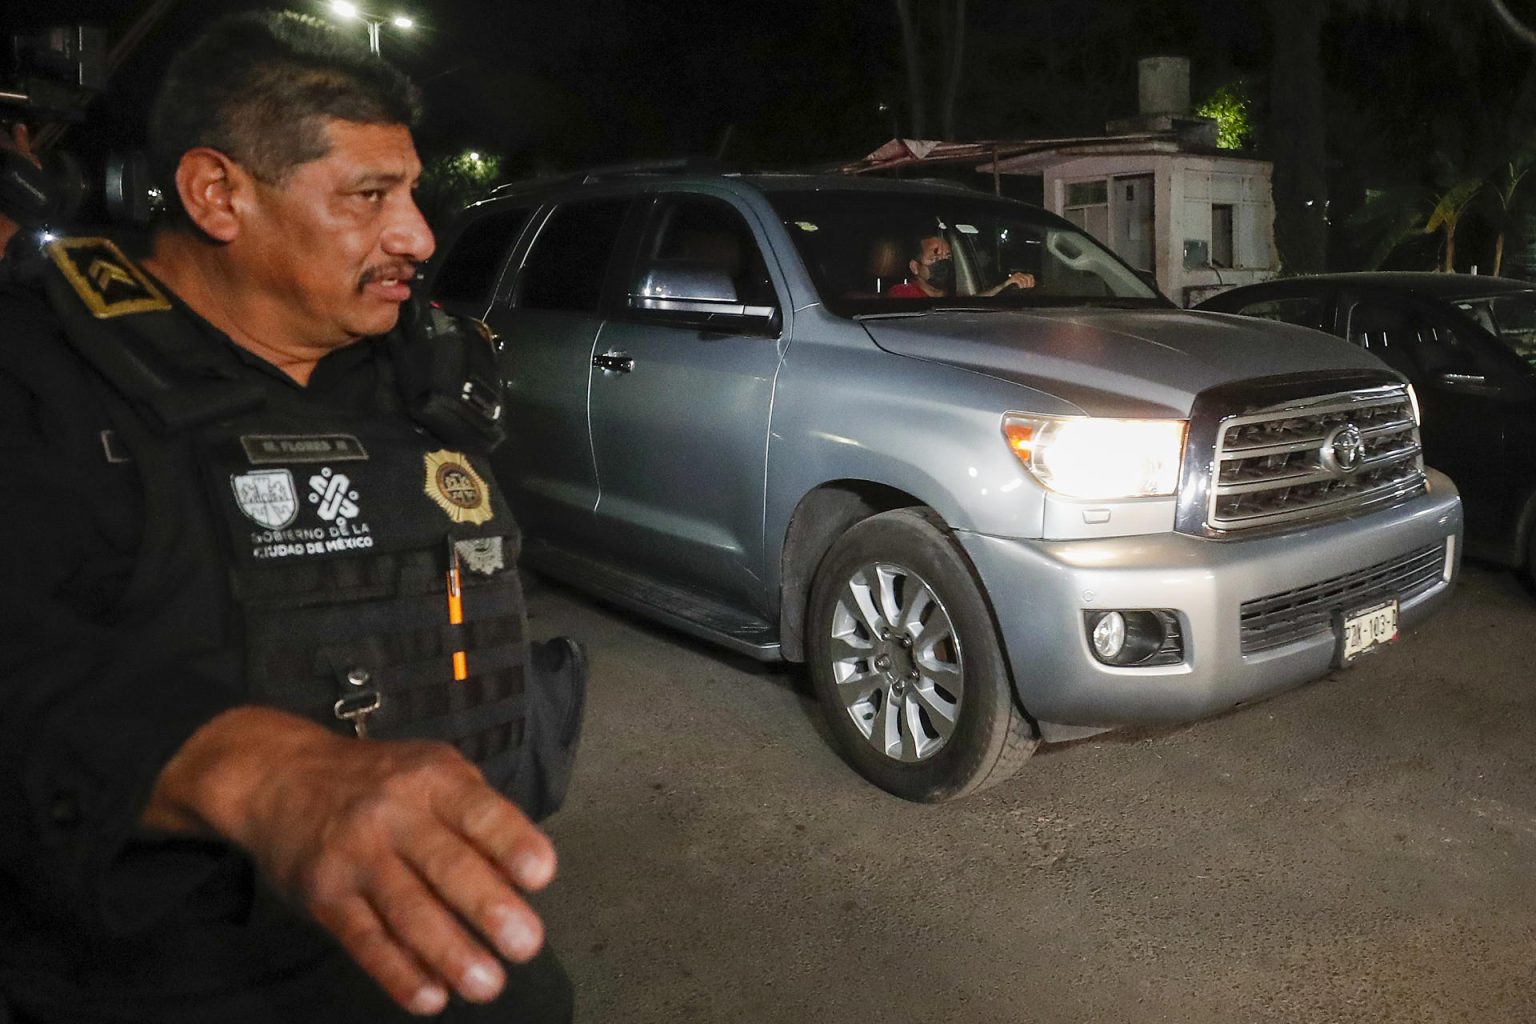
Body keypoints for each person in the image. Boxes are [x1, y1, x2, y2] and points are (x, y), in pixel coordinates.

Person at [0, 12, 584, 1023]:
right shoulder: (42, 386)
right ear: (217, 193)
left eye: (409, 190)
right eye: (368, 196)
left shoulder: (424, 376)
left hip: (449, 959)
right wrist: (258, 773)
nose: (420, 235)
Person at [886, 233, 1035, 298]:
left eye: (948, 257)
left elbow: (972, 304)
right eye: (935, 257)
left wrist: (1005, 286)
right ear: (915, 267)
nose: (943, 262)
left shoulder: (952, 296)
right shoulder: (902, 294)